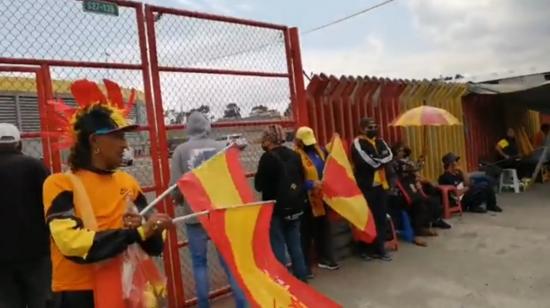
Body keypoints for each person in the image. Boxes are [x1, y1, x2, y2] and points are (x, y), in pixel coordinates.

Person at [43, 84, 172, 308]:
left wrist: (153, 228)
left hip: (126, 288)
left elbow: (155, 245)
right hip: (79, 294)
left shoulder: (127, 182)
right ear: (94, 141)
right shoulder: (60, 184)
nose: (125, 144)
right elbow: (72, 244)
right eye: (118, 136)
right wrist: (136, 232)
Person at [171, 111, 247, 308]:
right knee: (229, 261)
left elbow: (177, 185)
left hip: (195, 213)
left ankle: (203, 305)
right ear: (207, 126)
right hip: (220, 210)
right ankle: (242, 303)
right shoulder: (221, 147)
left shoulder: (181, 150)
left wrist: (179, 201)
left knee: (199, 263)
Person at [0, 123, 51, 308]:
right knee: (41, 300)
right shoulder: (35, 166)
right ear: (19, 144)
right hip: (36, 251)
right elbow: (51, 205)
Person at [255, 124, 309, 282]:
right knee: (295, 243)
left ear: (268, 140)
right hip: (295, 206)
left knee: (278, 244)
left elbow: (259, 185)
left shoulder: (267, 158)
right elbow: (302, 179)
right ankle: (301, 276)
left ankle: (282, 280)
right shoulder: (294, 155)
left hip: (276, 208)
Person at [294, 126, 340, 276]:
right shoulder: (295, 156)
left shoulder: (320, 151)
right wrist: (310, 184)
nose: (309, 145)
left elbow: (329, 167)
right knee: (305, 233)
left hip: (321, 197)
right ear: (299, 142)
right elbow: (296, 180)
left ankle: (327, 259)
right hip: (306, 199)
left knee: (323, 228)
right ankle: (305, 267)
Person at [350, 117, 393, 261]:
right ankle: (364, 249)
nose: (374, 129)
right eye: (370, 127)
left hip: (381, 186)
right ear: (362, 129)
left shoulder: (380, 141)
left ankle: (379, 249)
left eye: (375, 126)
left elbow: (389, 155)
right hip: (366, 187)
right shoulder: (357, 143)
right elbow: (366, 162)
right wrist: (379, 160)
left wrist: (378, 160)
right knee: (365, 219)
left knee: (380, 218)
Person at [438, 152, 502, 213]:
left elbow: (467, 183)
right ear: (451, 164)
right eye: (456, 161)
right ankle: (491, 206)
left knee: (485, 183)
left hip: (465, 195)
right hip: (459, 201)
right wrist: (469, 187)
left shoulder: (457, 174)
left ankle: (475, 206)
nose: (458, 163)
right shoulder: (445, 177)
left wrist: (462, 172)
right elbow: (456, 193)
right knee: (483, 185)